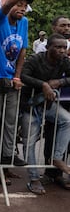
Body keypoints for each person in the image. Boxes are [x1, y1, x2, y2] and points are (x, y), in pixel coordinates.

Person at [0, 0, 55, 178]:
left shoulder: (24, 23)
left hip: (11, 79)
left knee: (11, 120)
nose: (21, 8)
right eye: (18, 4)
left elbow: (22, 51)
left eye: (24, 6)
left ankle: (7, 156)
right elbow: (6, 5)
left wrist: (17, 77)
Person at [21, 34, 70, 194]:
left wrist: (60, 82)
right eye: (58, 47)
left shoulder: (63, 61)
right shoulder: (35, 59)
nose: (62, 50)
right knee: (30, 142)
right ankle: (34, 179)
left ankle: (57, 158)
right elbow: (23, 75)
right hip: (30, 104)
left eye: (64, 47)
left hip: (48, 105)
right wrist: (43, 85)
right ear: (48, 47)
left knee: (67, 120)